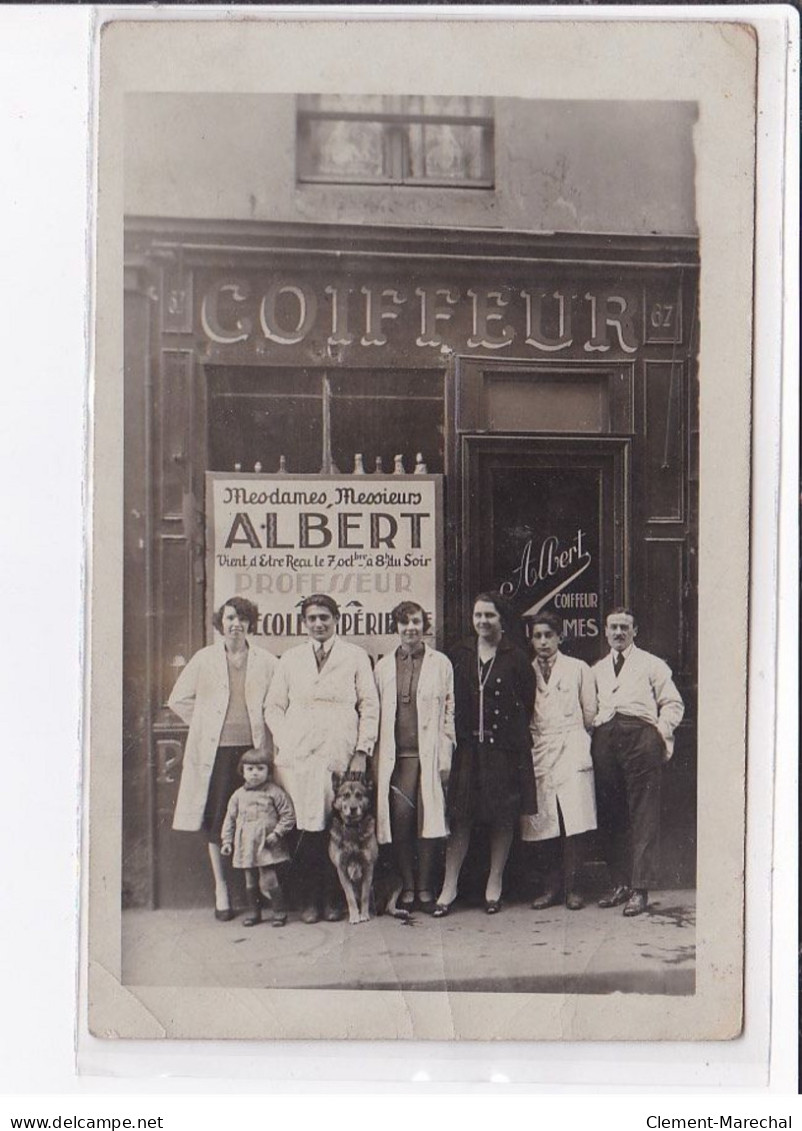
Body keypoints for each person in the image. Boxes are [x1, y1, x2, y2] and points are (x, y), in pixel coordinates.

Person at [265, 594, 380, 924]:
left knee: (337, 826)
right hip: (298, 755)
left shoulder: (355, 656)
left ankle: (334, 900)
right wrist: (287, 740)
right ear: (304, 623)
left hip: (338, 750)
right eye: (312, 618)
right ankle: (309, 900)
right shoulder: (290, 659)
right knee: (304, 829)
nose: (318, 623)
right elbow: (272, 706)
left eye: (324, 618)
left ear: (336, 620)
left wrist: (361, 751)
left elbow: (369, 705)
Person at [169, 596, 277, 921]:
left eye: (242, 619)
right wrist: (207, 726)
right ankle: (222, 889)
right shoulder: (204, 659)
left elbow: (277, 704)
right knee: (218, 819)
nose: (236, 624)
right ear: (221, 622)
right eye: (230, 618)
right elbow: (178, 699)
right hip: (217, 753)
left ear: (250, 624)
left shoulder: (267, 661)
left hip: (253, 754)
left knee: (255, 817)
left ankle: (257, 889)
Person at [433, 592, 536, 917]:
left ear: (501, 619)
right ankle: (449, 886)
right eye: (478, 615)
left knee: (502, 819)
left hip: (503, 751)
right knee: (460, 818)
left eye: (489, 616)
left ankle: (495, 883)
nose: (482, 622)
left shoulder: (517, 657)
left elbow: (527, 704)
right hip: (467, 751)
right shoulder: (459, 654)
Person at [591, 607, 685, 917]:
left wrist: (658, 734)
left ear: (635, 631)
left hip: (640, 737)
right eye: (613, 627)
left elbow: (673, 703)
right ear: (605, 632)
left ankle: (640, 889)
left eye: (624, 627)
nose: (618, 633)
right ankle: (620, 883)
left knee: (643, 813)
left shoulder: (652, 665)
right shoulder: (597, 670)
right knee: (611, 812)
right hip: (606, 740)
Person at [374, 601, 455, 914]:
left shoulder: (440, 663)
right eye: (404, 623)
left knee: (429, 823)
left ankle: (424, 887)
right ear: (396, 627)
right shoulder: (383, 666)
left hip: (429, 756)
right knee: (400, 823)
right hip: (397, 760)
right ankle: (406, 886)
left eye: (416, 622)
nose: (410, 628)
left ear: (425, 626)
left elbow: (450, 709)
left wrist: (446, 750)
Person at [522, 611, 597, 911]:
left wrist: (579, 738)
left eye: (548, 635)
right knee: (543, 822)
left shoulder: (578, 669)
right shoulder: (527, 671)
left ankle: (574, 889)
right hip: (540, 747)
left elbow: (590, 713)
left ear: (559, 637)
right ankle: (550, 887)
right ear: (532, 640)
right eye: (538, 636)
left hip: (571, 745)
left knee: (573, 821)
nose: (543, 642)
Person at [220, 749, 296, 928]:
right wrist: (227, 841)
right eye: (250, 769)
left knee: (269, 877)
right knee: (250, 879)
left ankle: (279, 912)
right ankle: (254, 912)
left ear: (268, 771)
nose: (255, 773)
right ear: (242, 771)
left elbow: (288, 815)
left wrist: (277, 833)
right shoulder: (238, 795)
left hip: (266, 843)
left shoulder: (274, 792)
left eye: (260, 769)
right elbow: (230, 819)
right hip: (246, 844)